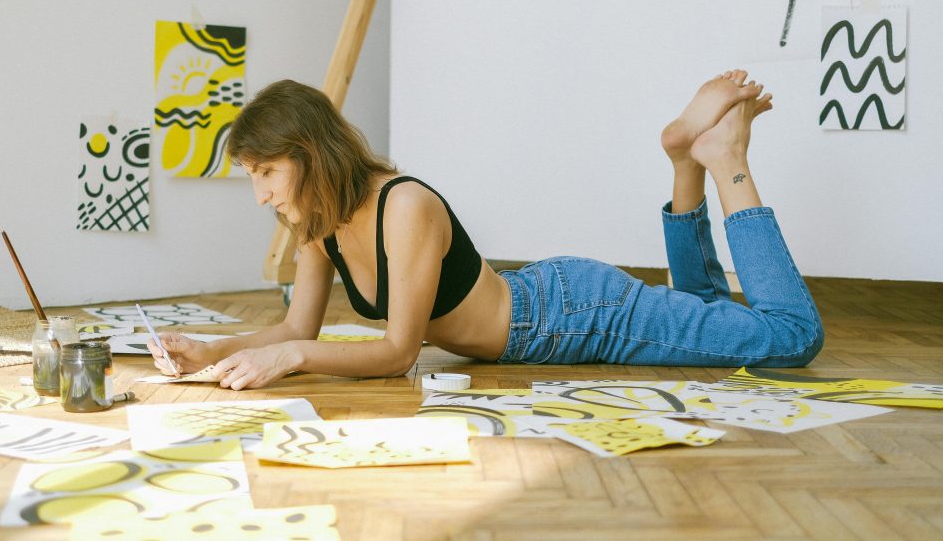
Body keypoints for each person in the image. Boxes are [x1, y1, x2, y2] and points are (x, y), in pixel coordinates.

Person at [149, 71, 824, 390]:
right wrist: (212, 349)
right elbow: (296, 330)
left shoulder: (404, 206)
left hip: (577, 315)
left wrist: (290, 360)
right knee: (710, 316)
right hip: (547, 309)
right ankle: (684, 161)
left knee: (790, 338)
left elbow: (395, 352)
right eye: (253, 176)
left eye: (268, 170)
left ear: (311, 153)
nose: (262, 191)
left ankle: (726, 161)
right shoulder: (318, 226)